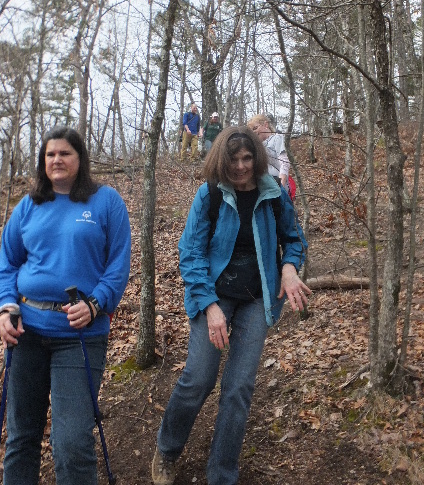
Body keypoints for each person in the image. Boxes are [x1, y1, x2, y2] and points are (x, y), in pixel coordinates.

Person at [151, 126, 309, 485]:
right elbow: (190, 253)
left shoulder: (273, 193)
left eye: (247, 158)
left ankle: (222, 474)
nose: (240, 166)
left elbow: (293, 238)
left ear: (257, 158)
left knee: (238, 388)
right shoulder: (210, 194)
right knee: (199, 379)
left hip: (257, 297)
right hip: (213, 294)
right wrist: (210, 306)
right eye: (233, 159)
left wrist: (288, 267)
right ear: (222, 160)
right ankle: (167, 449)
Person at [0, 126, 131, 485]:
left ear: (80, 158)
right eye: (50, 154)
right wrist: (6, 306)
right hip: (26, 332)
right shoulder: (29, 205)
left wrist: (96, 303)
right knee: (21, 437)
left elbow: (118, 266)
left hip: (79, 335)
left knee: (72, 442)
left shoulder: (106, 202)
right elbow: (7, 261)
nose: (56, 160)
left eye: (64, 153)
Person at [247, 114, 290, 190]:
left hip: (277, 185)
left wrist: (281, 185)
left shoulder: (276, 138)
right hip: (263, 187)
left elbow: (284, 162)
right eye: (252, 131)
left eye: (255, 128)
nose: (254, 132)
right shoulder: (257, 147)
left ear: (265, 124)